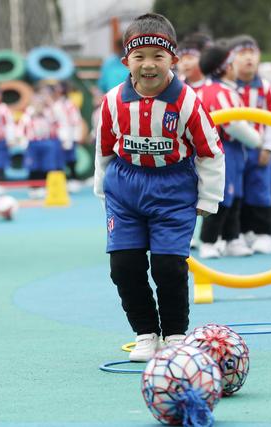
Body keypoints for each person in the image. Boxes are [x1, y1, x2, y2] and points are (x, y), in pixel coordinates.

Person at [94, 13, 224, 362]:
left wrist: (209, 198)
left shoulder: (187, 101)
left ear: (173, 59)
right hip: (125, 189)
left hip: (173, 190)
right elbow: (104, 148)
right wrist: (102, 189)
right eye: (139, 56)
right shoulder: (112, 101)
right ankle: (145, 334)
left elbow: (211, 151)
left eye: (158, 56)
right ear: (126, 61)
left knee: (168, 266)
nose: (149, 64)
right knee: (123, 266)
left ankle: (176, 335)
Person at [196, 40, 262, 259]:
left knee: (234, 197)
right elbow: (233, 124)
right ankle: (208, 240)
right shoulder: (220, 92)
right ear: (225, 68)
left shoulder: (208, 89)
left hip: (229, 150)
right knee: (223, 197)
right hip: (224, 149)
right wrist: (256, 140)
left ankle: (232, 238)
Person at [232, 35, 271, 253]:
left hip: (259, 149)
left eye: (252, 53)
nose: (248, 58)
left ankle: (265, 233)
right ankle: (243, 232)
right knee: (237, 192)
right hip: (235, 150)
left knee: (261, 190)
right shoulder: (228, 87)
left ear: (259, 57)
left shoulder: (265, 87)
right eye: (242, 53)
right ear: (232, 59)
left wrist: (269, 147)